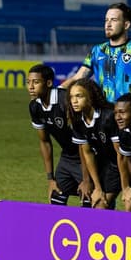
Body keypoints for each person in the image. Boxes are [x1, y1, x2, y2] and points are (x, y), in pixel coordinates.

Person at [61, 2, 131, 104]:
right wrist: (58, 90)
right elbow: (79, 77)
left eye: (114, 20)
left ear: (126, 25)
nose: (108, 24)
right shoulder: (97, 51)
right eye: (106, 20)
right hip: (105, 115)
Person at [26, 64, 90, 207]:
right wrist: (50, 179)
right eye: (28, 82)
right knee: (55, 196)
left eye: (36, 82)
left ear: (48, 83)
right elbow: (44, 142)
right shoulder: (34, 107)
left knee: (88, 197)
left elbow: (83, 141)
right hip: (67, 157)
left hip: (86, 155)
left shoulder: (65, 102)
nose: (31, 86)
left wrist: (86, 180)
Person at [67, 78, 121, 209]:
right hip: (103, 164)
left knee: (100, 206)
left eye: (79, 96)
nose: (74, 101)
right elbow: (88, 153)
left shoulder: (108, 117)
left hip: (120, 164)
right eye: (71, 97)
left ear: (90, 97)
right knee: (96, 203)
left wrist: (125, 187)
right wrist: (97, 187)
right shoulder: (77, 121)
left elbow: (121, 155)